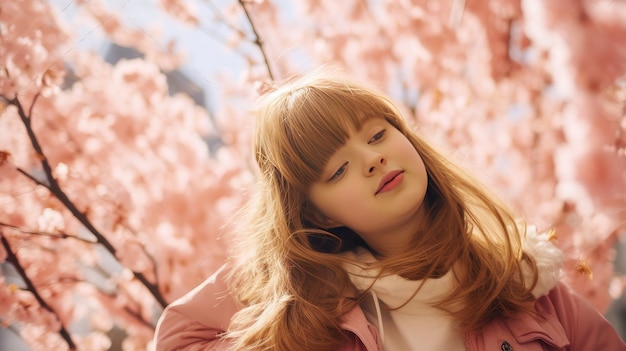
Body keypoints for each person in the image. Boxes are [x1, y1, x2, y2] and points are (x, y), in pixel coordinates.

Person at [153, 70, 626, 351]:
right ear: (317, 216)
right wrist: (283, 270)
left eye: (377, 135)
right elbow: (179, 337)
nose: (373, 159)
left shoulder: (522, 285)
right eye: (337, 170)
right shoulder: (317, 328)